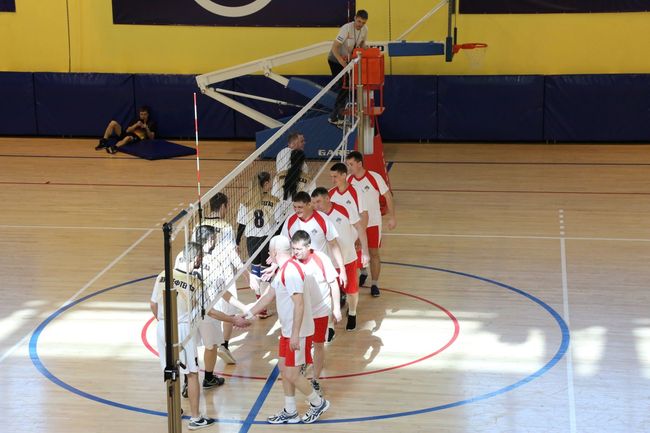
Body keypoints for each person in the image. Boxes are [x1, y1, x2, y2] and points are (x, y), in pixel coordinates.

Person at [150, 242, 250, 430]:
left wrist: (163, 321)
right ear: (196, 258)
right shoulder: (195, 283)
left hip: (162, 328)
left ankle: (175, 409)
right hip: (182, 331)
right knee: (192, 374)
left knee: (170, 370)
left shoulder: (163, 275)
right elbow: (210, 311)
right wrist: (233, 319)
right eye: (200, 259)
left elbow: (153, 304)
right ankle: (196, 418)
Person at [245, 235, 330, 424]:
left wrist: (295, 334)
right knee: (284, 368)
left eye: (269, 250)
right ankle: (290, 411)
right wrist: (246, 315)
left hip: (296, 332)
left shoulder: (290, 272)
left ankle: (318, 403)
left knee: (292, 373)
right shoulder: (284, 269)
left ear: (275, 252)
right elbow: (268, 297)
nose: (268, 253)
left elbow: (299, 304)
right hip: (288, 330)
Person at [291, 230, 341, 396]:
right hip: (302, 313)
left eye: (299, 249)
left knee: (318, 344)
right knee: (302, 343)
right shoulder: (292, 262)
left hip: (320, 311)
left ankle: (315, 379)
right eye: (293, 249)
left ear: (309, 247)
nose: (296, 252)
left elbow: (333, 283)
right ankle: (302, 367)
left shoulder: (321, 258)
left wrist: (336, 308)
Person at [311, 187, 369, 331]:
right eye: (314, 202)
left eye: (318, 201)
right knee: (329, 293)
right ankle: (330, 325)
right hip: (327, 263)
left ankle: (352, 313)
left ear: (327, 198)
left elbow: (360, 228)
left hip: (348, 258)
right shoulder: (314, 217)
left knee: (352, 290)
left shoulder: (344, 210)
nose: (316, 205)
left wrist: (365, 251)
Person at [345, 151, 396, 297]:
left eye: (351, 164)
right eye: (348, 165)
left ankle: (374, 284)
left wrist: (392, 217)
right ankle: (363, 272)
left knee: (373, 252)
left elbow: (388, 196)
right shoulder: (348, 179)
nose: (349, 167)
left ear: (359, 164)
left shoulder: (375, 177)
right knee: (355, 252)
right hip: (356, 224)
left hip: (373, 222)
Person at [204, 193, 247, 364]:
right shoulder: (226, 227)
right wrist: (246, 273)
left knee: (210, 309)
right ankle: (224, 345)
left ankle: (212, 342)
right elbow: (232, 254)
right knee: (229, 310)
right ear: (223, 206)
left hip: (205, 273)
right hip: (224, 272)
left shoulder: (199, 225)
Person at [237, 171, 282, 319]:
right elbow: (279, 224)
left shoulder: (246, 201)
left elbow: (241, 225)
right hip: (267, 239)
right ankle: (262, 309)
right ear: (266, 183)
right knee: (265, 272)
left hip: (251, 240)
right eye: (270, 182)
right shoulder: (274, 200)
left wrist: (237, 241)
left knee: (255, 271)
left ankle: (259, 305)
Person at [281, 191, 347, 287]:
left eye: (300, 207)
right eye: (295, 207)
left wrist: (342, 270)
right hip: (298, 272)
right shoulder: (290, 220)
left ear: (309, 205)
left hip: (319, 272)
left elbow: (334, 245)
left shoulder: (323, 219)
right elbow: (284, 245)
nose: (297, 210)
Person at [327, 10, 369, 126]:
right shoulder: (346, 28)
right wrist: (342, 62)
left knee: (348, 86)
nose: (360, 24)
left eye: (363, 23)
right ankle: (335, 117)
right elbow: (335, 47)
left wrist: (368, 49)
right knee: (344, 86)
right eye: (359, 21)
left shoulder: (365, 30)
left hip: (347, 60)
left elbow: (361, 44)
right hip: (335, 60)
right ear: (355, 18)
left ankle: (339, 116)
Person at [272, 149, 313, 221]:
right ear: (303, 162)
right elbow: (311, 198)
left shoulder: (278, 176)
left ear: (290, 160)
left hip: (281, 215)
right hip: (299, 215)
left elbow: (274, 195)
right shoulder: (308, 179)